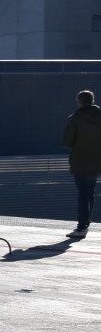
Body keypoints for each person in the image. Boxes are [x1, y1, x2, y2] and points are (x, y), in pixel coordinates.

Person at [63, 89, 101, 238]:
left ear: (79, 102)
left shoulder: (75, 118)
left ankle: (81, 227)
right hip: (97, 161)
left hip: (80, 161)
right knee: (90, 192)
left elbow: (68, 141)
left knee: (83, 194)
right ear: (92, 101)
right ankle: (86, 222)